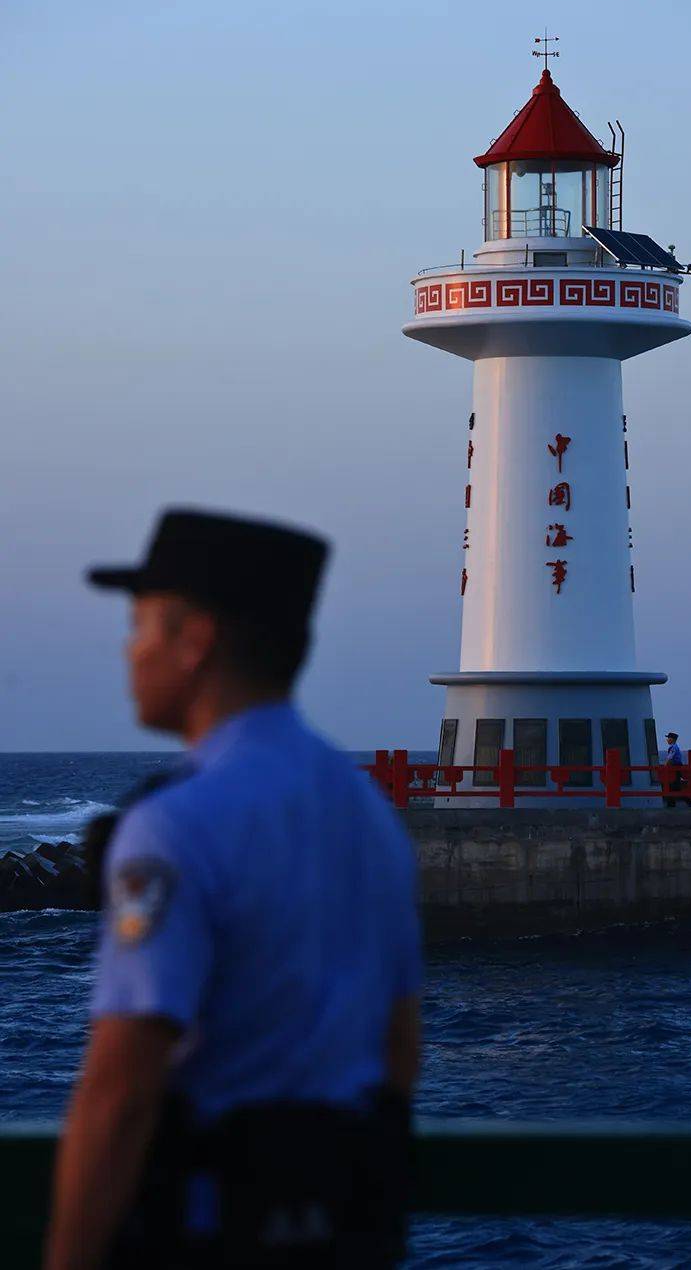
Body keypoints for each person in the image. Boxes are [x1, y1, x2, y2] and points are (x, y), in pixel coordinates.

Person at [44, 509, 422, 1270]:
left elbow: (122, 1087)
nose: (129, 652)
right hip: (343, 1227)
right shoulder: (371, 816)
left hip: (210, 1225)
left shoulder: (174, 825)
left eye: (142, 626)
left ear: (196, 641)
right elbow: (400, 1045)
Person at [663, 732, 691, 808]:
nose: (667, 740)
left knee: (673, 787)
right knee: (674, 788)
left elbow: (670, 759)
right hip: (675, 769)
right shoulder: (674, 747)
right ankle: (673, 804)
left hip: (675, 769)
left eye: (668, 738)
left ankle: (687, 802)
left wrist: (665, 767)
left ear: (672, 739)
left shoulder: (673, 748)